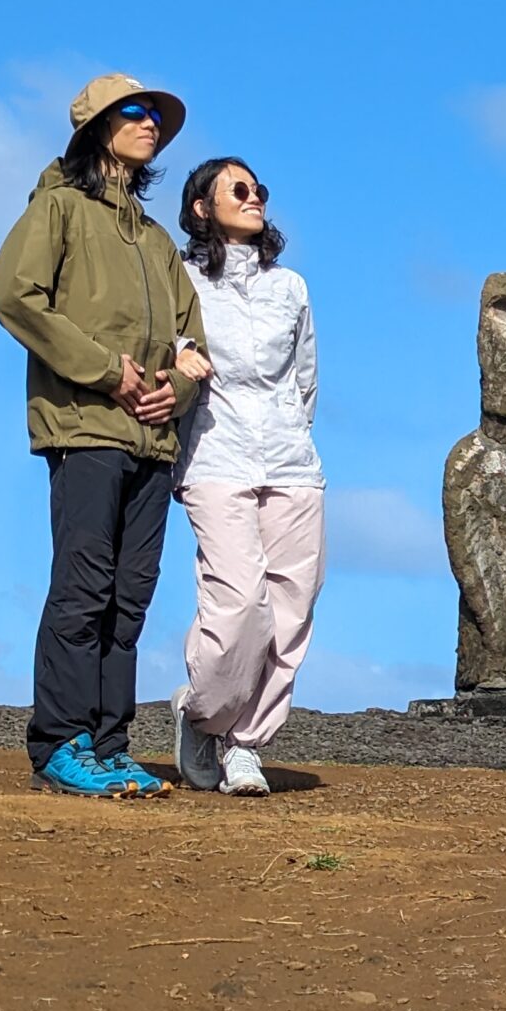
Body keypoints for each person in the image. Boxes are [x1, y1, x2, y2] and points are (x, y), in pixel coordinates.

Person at [0, 75, 208, 798]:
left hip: (151, 439)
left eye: (156, 116)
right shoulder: (58, 208)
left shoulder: (155, 240)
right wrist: (103, 373)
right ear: (97, 128)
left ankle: (112, 749)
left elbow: (192, 343)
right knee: (83, 591)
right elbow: (14, 297)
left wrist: (171, 391)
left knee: (130, 598)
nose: (152, 124)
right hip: (84, 427)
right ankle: (60, 743)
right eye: (136, 113)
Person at [169, 158, 325, 796]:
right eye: (238, 189)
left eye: (259, 189)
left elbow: (306, 379)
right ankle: (202, 714)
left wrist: (292, 429)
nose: (254, 196)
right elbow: (167, 347)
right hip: (215, 457)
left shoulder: (291, 286)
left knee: (291, 607)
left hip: (292, 464)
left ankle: (245, 745)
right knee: (238, 601)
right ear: (202, 207)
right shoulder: (181, 279)